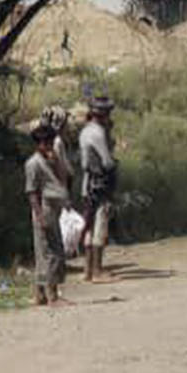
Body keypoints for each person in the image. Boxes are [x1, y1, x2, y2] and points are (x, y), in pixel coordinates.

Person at [24, 123, 72, 306]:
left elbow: (61, 178)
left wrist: (56, 160)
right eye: (46, 142)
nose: (50, 145)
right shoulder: (33, 163)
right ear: (39, 143)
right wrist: (39, 216)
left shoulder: (50, 159)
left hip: (54, 209)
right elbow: (32, 192)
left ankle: (40, 295)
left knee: (46, 252)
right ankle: (52, 295)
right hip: (43, 210)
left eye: (51, 142)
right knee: (51, 253)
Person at [77, 94, 118, 284]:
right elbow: (107, 162)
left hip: (87, 184)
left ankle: (87, 270)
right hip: (99, 184)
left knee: (89, 226)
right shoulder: (98, 133)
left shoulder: (85, 131)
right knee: (100, 226)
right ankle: (97, 271)